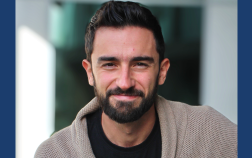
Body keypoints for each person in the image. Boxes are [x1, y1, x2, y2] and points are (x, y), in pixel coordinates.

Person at [35, 1, 237, 158]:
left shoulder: (209, 132)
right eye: (110, 64)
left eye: (140, 64)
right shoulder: (55, 153)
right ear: (89, 72)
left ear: (162, 71)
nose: (124, 82)